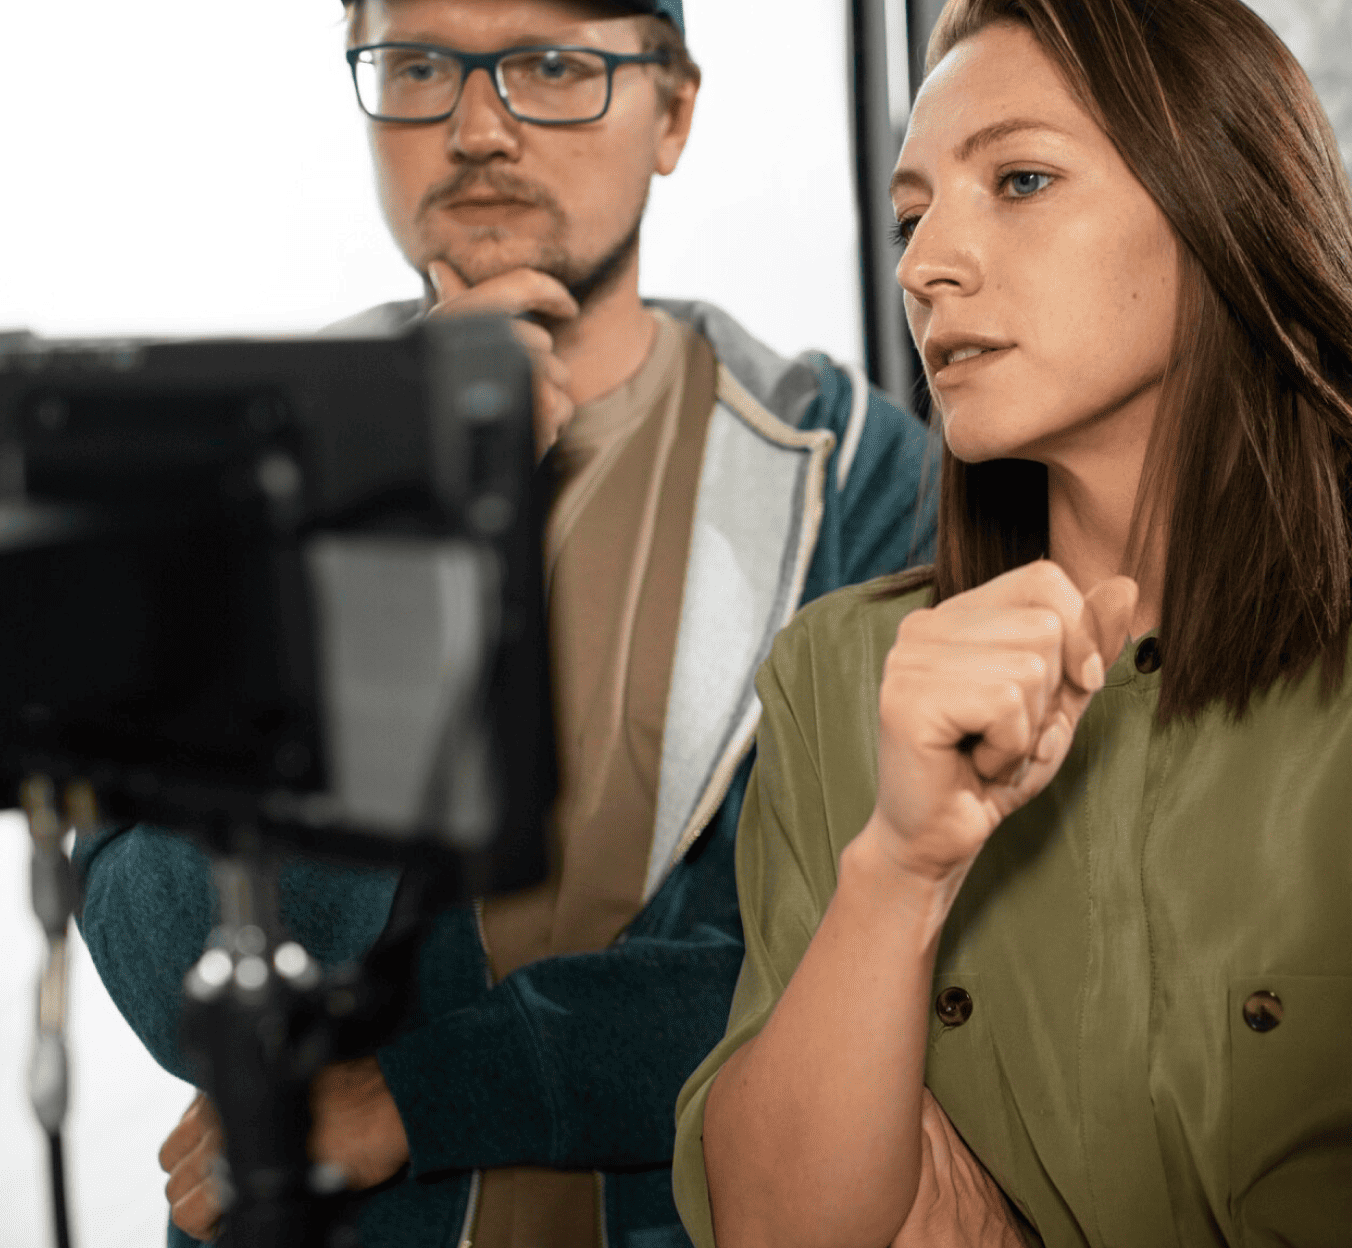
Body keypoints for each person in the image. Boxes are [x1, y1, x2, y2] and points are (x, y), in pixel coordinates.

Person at [674, 0, 1352, 1245]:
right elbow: (774, 1231)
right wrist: (899, 871)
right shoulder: (845, 678)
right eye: (911, 216)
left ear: (1226, 205)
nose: (923, 264)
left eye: (1018, 179)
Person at [73, 1, 929, 1245]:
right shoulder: (225, 459)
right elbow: (181, 983)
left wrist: (431, 1090)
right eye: (419, 64)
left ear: (674, 108)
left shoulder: (851, 471)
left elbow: (844, 975)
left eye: (551, 64)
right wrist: (409, 528)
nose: (477, 125)